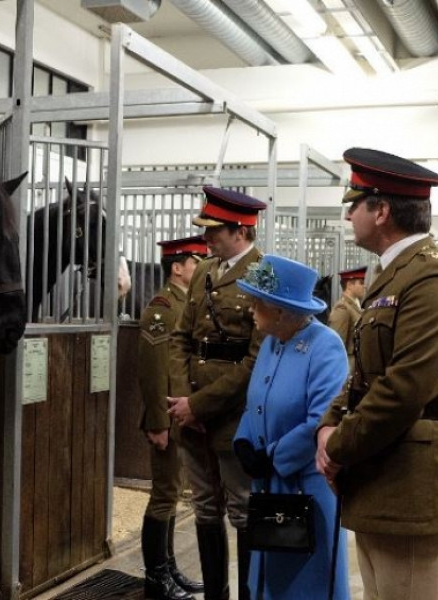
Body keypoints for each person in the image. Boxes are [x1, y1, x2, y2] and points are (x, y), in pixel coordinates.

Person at [315, 147, 438, 600]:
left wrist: (338, 447)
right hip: (383, 472)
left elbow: (404, 388)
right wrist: (327, 425)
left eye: (355, 204)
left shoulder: (432, 280)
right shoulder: (393, 275)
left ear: (382, 210)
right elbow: (363, 373)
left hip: (411, 480)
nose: (349, 216)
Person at [167, 186, 267, 600]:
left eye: (214, 232)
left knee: (242, 510)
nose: (206, 240)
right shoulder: (206, 272)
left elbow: (256, 359)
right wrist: (180, 401)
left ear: (241, 230)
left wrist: (200, 404)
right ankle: (214, 595)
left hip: (234, 413)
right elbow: (179, 339)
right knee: (205, 508)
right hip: (189, 410)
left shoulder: (264, 274)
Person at [233, 254, 350, 600]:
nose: (251, 310)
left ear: (281, 310)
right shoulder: (271, 341)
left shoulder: (325, 345)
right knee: (268, 580)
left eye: (258, 303)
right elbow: (257, 401)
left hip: (305, 487)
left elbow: (322, 419)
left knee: (306, 583)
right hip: (268, 486)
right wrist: (243, 440)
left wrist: (273, 456)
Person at [138, 235, 208, 600]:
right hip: (165, 418)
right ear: (177, 267)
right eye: (195, 261)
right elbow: (153, 373)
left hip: (179, 417)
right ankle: (155, 577)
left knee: (173, 493)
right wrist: (157, 423)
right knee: (163, 495)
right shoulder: (162, 308)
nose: (200, 267)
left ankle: (169, 569)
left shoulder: (187, 303)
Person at [328, 266, 367, 374]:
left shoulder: (354, 306)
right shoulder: (343, 308)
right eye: (361, 282)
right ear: (349, 285)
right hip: (347, 368)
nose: (365, 286)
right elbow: (336, 344)